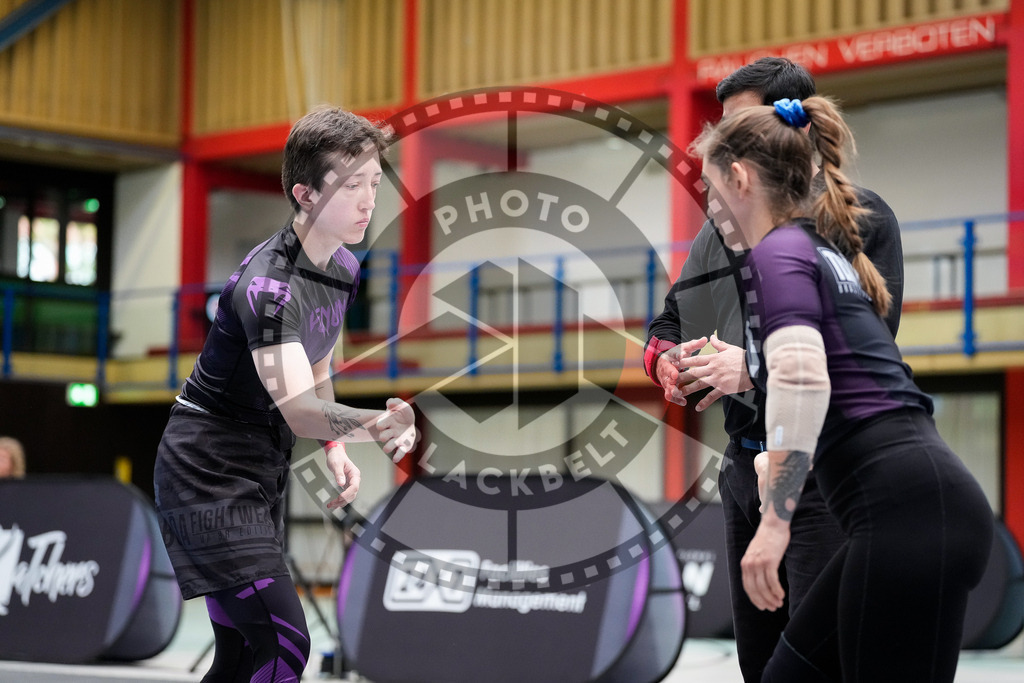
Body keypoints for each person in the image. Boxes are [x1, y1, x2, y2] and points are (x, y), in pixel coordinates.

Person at [694, 94, 992, 681]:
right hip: (939, 506)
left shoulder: (778, 252)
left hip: (904, 516)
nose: (708, 206)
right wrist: (783, 460)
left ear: (740, 179)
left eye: (710, 189)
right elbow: (850, 389)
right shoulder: (823, 253)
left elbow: (802, 377)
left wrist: (775, 523)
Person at [646, 57, 904, 682]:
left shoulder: (857, 219)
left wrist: (752, 367)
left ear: (795, 128)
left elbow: (863, 354)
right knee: (759, 665)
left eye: (742, 126)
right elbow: (669, 323)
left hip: (822, 469)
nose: (728, 144)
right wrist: (669, 363)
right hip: (744, 467)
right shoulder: (724, 228)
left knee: (818, 662)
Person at [154, 106, 417, 683]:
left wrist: (335, 448)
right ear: (305, 194)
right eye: (351, 186)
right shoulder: (269, 288)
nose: (369, 201)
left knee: (242, 657)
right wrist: (374, 425)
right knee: (285, 644)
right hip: (206, 468)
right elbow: (298, 410)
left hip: (260, 464)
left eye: (374, 183)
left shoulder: (342, 266)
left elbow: (317, 361)